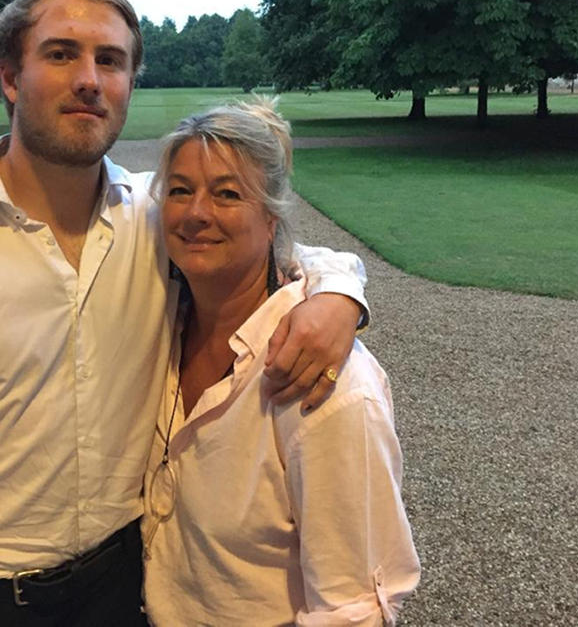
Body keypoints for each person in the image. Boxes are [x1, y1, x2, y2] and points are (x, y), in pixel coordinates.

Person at [0, 0, 370, 627]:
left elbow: (253, 238)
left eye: (110, 60)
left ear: (129, 83)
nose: (89, 78)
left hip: (118, 587)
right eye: (61, 53)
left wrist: (340, 290)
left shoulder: (152, 219)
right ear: (9, 77)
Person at [142, 99, 420, 626]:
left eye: (228, 194)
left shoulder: (325, 386)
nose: (197, 212)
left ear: (271, 217)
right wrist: (341, 285)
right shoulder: (162, 322)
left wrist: (340, 292)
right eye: (180, 190)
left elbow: (352, 609)